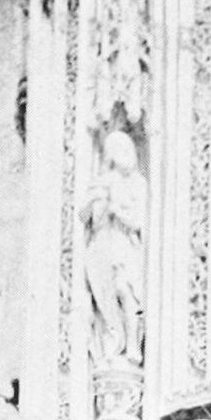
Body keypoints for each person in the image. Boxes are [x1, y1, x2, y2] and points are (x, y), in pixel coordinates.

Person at [81, 130, 146, 366]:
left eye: (128, 149)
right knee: (105, 293)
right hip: (103, 247)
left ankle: (132, 346)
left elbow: (139, 221)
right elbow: (84, 216)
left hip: (126, 245)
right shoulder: (104, 181)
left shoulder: (139, 184)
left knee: (127, 291)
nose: (126, 155)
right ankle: (113, 342)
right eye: (119, 150)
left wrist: (117, 210)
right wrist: (96, 201)